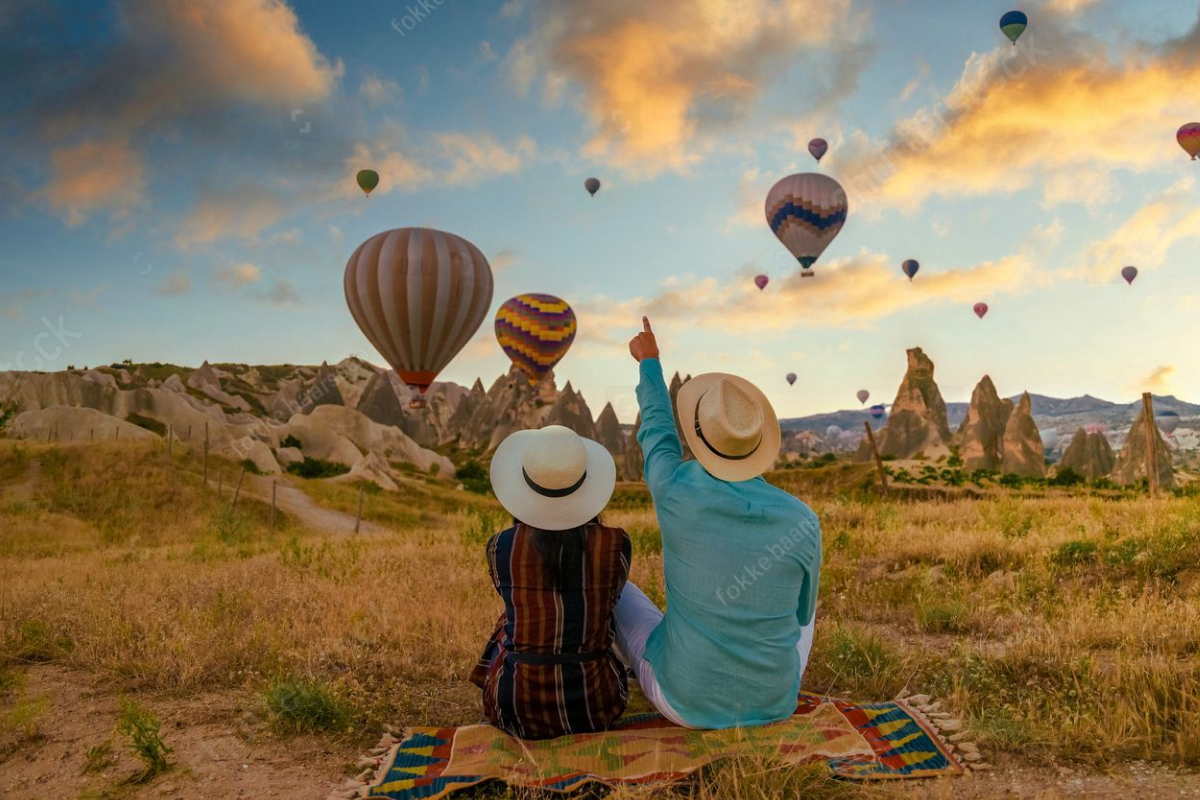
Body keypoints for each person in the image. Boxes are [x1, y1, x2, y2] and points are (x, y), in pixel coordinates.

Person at [614, 317, 821, 729]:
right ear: (760, 443)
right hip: (776, 702)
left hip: (685, 702)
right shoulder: (803, 519)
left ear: (698, 436)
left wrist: (649, 361)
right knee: (808, 608)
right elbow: (800, 616)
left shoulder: (675, 490)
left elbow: (656, 432)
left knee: (618, 590)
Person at [469, 425, 632, 740]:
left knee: (510, 619)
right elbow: (612, 598)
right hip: (597, 706)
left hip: (516, 707)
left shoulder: (500, 547)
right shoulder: (615, 544)